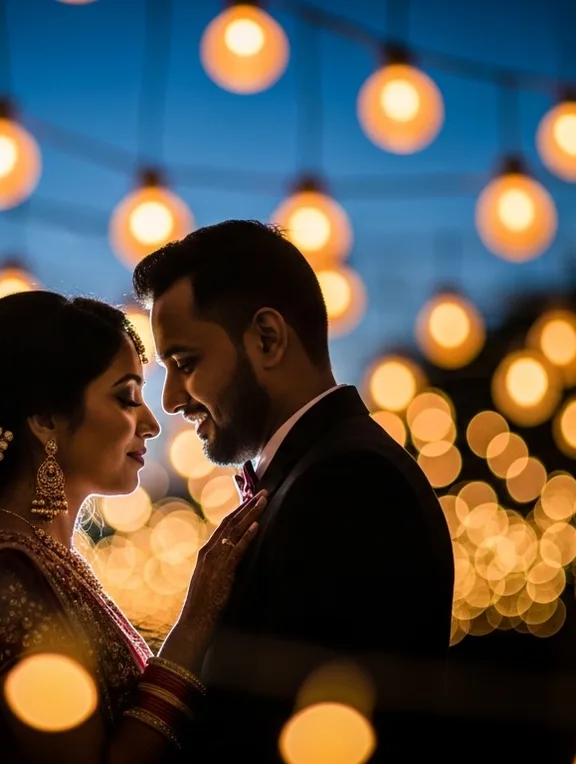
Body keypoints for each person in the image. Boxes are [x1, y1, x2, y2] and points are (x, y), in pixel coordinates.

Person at [132, 219, 456, 762]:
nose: (169, 400)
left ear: (267, 338)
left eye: (185, 363)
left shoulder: (350, 484)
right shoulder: (315, 473)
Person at [0, 291, 268, 763]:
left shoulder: (36, 557)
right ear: (45, 420)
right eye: (126, 398)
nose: (151, 423)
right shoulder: (8, 577)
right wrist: (194, 626)